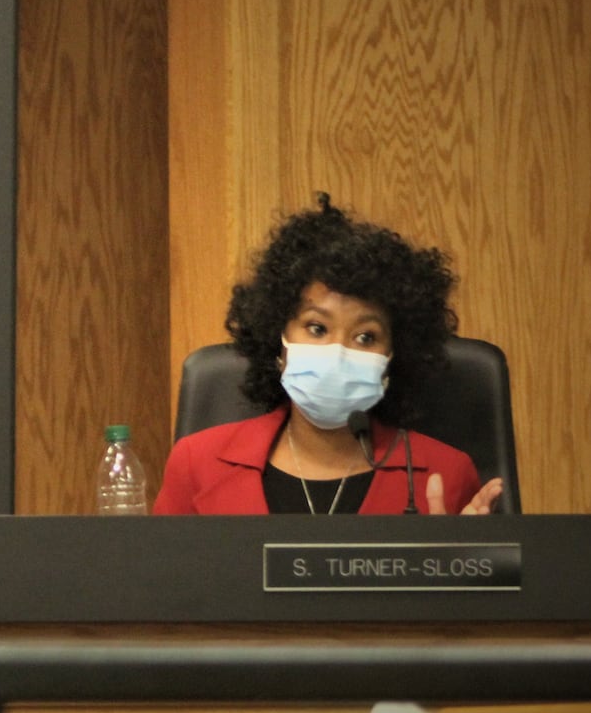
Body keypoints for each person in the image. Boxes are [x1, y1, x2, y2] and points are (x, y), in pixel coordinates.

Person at [153, 194, 503, 516]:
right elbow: (160, 582)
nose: (338, 353)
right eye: (317, 328)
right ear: (279, 339)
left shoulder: (444, 474)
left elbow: (490, 580)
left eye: (366, 337)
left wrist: (454, 569)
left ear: (394, 357)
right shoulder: (197, 462)